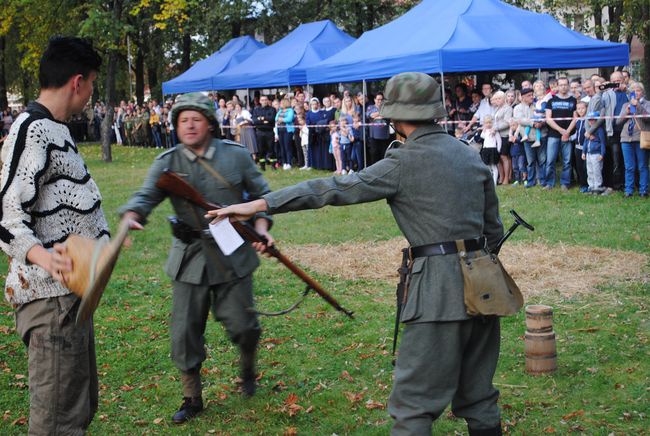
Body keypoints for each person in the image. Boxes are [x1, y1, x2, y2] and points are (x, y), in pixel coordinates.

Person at [208, 72, 504, 436]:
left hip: (437, 290)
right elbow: (493, 229)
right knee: (479, 396)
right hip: (485, 282)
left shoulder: (402, 162)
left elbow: (332, 188)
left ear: (394, 117)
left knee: (413, 406)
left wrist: (260, 204)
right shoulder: (468, 155)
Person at [119, 92, 274, 423]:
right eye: (182, 120)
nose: (188, 126)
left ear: (210, 124)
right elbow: (146, 195)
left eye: (196, 119)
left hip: (233, 252)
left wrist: (262, 228)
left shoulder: (235, 157)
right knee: (185, 331)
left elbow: (264, 197)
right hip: (189, 257)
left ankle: (247, 366)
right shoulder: (167, 161)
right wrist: (132, 214)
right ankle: (192, 397)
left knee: (244, 325)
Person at [0, 36, 107, 435]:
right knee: (58, 424)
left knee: (75, 411)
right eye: (93, 82)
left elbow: (70, 211)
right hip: (50, 308)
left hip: (70, 304)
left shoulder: (56, 130)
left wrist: (104, 243)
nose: (92, 92)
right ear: (77, 81)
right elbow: (6, 215)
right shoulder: (32, 132)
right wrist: (45, 258)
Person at [545, 77, 577, 190]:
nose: (563, 87)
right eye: (561, 85)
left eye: (565, 84)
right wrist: (560, 130)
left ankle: (565, 183)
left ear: (568, 86)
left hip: (567, 135)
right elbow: (548, 118)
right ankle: (549, 183)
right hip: (553, 134)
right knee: (550, 160)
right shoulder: (551, 101)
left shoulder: (573, 100)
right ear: (557, 86)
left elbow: (575, 118)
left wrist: (567, 132)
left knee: (567, 161)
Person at [617, 82, 649, 197]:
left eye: (638, 90)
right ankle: (629, 191)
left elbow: (648, 119)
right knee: (629, 167)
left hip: (641, 138)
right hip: (626, 138)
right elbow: (618, 122)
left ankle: (643, 190)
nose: (636, 92)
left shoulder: (647, 104)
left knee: (642, 166)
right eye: (633, 90)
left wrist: (638, 106)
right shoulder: (626, 105)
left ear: (642, 92)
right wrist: (626, 112)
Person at [513, 88, 546, 188]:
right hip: (527, 138)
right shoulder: (518, 108)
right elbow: (520, 120)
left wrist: (541, 123)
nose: (532, 97)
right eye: (529, 95)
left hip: (540, 136)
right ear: (523, 97)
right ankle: (531, 181)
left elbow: (544, 115)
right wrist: (533, 123)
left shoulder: (537, 105)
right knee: (530, 161)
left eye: (532, 95)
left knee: (542, 160)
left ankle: (542, 180)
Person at [582, 111, 607, 194]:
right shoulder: (588, 130)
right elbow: (585, 142)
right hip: (589, 154)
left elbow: (603, 142)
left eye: (593, 120)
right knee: (590, 171)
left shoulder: (599, 130)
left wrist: (602, 154)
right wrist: (583, 152)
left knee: (597, 171)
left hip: (596, 154)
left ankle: (598, 187)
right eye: (589, 120)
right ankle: (591, 186)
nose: (591, 121)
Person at [252, 95, 277, 170]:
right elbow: (255, 121)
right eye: (262, 100)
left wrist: (261, 118)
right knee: (261, 150)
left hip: (269, 132)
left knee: (271, 149)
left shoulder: (272, 109)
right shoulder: (256, 110)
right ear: (260, 101)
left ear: (268, 100)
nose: (264, 101)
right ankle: (262, 166)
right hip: (260, 132)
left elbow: (272, 119)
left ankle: (273, 165)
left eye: (265, 100)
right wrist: (265, 120)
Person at [366, 92, 390, 165]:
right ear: (374, 100)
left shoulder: (386, 108)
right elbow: (370, 115)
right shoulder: (370, 107)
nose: (380, 101)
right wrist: (381, 114)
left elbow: (388, 116)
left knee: (384, 152)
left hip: (384, 135)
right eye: (378, 99)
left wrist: (376, 115)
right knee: (374, 152)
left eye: (381, 99)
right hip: (373, 135)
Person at [573, 101, 589, 193]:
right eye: (578, 109)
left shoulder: (588, 120)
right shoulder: (578, 120)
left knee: (585, 167)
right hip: (577, 147)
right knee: (579, 167)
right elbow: (576, 133)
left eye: (582, 108)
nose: (581, 110)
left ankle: (588, 184)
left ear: (586, 108)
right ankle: (582, 184)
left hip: (585, 148)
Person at [480, 115, 501, 185]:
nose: (488, 125)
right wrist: (483, 130)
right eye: (486, 123)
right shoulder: (485, 131)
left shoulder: (494, 131)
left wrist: (498, 149)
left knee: (494, 166)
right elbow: (482, 136)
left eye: (490, 123)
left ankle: (494, 182)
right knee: (487, 166)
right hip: (486, 149)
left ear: (492, 123)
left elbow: (499, 140)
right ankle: (490, 181)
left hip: (493, 149)